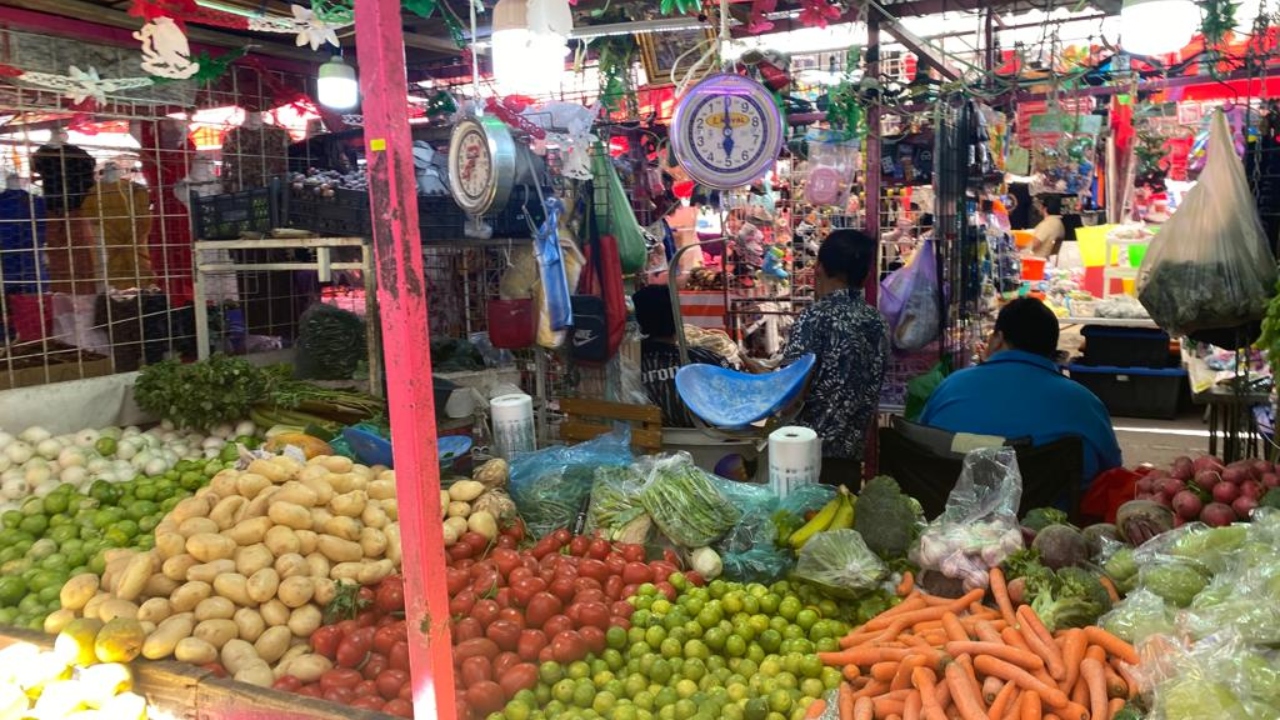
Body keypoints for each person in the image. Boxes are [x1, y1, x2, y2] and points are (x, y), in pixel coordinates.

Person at [919, 297, 1122, 487]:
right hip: (1053, 512)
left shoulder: (951, 387)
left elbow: (920, 443)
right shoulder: (1084, 403)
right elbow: (1112, 472)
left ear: (998, 339)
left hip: (948, 507)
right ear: (1052, 348)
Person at [781, 229, 888, 489]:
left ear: (819, 267)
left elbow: (790, 392)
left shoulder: (814, 318)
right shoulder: (877, 322)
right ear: (865, 276)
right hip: (850, 461)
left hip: (805, 460)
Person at [633, 284, 731, 428]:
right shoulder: (705, 359)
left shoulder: (632, 367)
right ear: (676, 319)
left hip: (652, 438)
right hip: (712, 438)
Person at [1029, 194, 1065, 259]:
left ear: (1045, 208)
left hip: (1037, 259)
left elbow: (1033, 244)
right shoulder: (1059, 223)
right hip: (1047, 259)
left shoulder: (1047, 224)